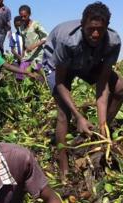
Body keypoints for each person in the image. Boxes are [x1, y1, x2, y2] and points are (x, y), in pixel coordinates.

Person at [43, 2, 122, 181]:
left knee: (119, 87)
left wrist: (102, 123)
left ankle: (102, 130)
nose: (95, 34)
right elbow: (61, 82)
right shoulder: (66, 40)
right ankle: (63, 164)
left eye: (100, 30)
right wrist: (78, 116)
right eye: (91, 29)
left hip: (87, 60)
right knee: (64, 113)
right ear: (82, 24)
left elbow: (102, 84)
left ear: (107, 27)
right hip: (59, 66)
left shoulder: (113, 41)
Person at [18, 5, 48, 80]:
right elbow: (24, 42)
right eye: (21, 16)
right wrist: (22, 55)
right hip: (27, 56)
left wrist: (33, 46)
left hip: (38, 55)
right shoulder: (21, 28)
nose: (23, 18)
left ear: (29, 14)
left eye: (25, 16)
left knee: (39, 76)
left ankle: (41, 90)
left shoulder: (35, 25)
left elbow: (46, 38)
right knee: (20, 75)